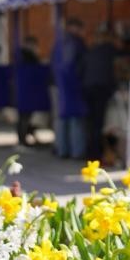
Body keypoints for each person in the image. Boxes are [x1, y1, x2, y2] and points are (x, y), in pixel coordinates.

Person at [80, 26, 118, 161]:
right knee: (98, 124)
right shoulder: (109, 49)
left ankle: (90, 153)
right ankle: (96, 155)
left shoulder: (91, 51)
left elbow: (82, 70)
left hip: (88, 88)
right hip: (100, 89)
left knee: (91, 123)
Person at [51, 19, 87, 158]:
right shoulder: (77, 43)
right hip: (73, 84)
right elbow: (82, 64)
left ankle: (61, 149)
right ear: (75, 27)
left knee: (61, 118)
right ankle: (77, 151)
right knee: (75, 120)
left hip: (59, 84)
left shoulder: (59, 43)